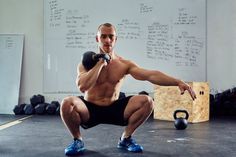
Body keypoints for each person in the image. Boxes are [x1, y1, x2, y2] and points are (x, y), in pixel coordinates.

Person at [60, 23, 197, 156]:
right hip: (90, 109)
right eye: (103, 36)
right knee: (67, 103)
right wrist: (101, 63)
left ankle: (126, 139)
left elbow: (150, 75)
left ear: (116, 39)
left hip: (114, 107)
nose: (107, 40)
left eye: (111, 36)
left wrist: (177, 81)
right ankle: (77, 141)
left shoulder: (124, 64)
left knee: (147, 101)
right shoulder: (86, 63)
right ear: (97, 39)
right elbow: (82, 86)